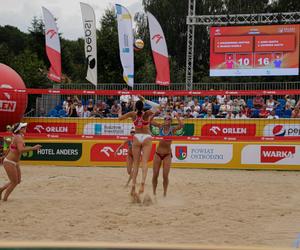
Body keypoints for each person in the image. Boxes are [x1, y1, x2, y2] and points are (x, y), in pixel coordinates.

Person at [118, 96, 159, 198]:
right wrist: (145, 99)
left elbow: (119, 118)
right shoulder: (147, 113)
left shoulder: (132, 114)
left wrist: (119, 110)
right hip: (146, 137)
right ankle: (142, 184)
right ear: (143, 106)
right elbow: (157, 106)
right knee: (144, 162)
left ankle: (133, 185)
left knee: (136, 163)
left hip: (136, 137)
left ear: (135, 107)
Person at [0, 123, 41, 201]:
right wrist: (33, 148)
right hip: (10, 162)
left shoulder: (19, 136)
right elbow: (21, 150)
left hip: (15, 162)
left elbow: (11, 147)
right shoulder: (18, 137)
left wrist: (4, 156)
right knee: (14, 182)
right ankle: (5, 199)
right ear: (19, 129)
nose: (25, 128)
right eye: (23, 127)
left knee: (17, 181)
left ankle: (1, 189)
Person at [150, 112, 183, 196]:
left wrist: (177, 116)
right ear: (164, 120)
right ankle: (154, 192)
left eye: (168, 119)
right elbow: (150, 121)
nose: (167, 119)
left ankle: (164, 193)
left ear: (171, 121)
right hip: (158, 154)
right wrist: (155, 114)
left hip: (167, 155)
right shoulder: (160, 127)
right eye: (165, 118)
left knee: (165, 176)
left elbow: (181, 125)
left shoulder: (172, 129)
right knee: (155, 175)